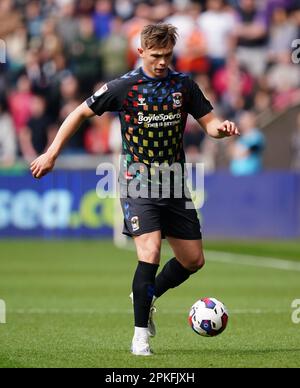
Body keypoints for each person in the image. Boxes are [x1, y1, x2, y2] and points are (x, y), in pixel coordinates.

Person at [30, 24, 239, 356]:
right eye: (155, 56)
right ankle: (140, 336)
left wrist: (221, 129)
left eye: (167, 56)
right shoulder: (125, 86)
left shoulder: (183, 85)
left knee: (193, 260)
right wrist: (51, 153)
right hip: (137, 179)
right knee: (151, 252)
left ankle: (148, 294)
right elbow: (80, 112)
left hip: (173, 181)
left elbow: (209, 123)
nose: (161, 62)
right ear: (141, 52)